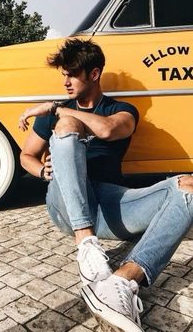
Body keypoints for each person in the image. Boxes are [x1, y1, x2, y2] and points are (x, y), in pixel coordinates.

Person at [19, 38, 193, 332]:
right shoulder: (57, 119)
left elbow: (107, 129)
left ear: (94, 73)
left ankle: (121, 282)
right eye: (63, 74)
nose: (65, 82)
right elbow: (26, 155)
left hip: (111, 206)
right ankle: (86, 246)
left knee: (189, 187)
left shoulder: (121, 109)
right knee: (66, 129)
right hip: (67, 205)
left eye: (72, 74)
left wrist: (55, 109)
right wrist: (43, 172)